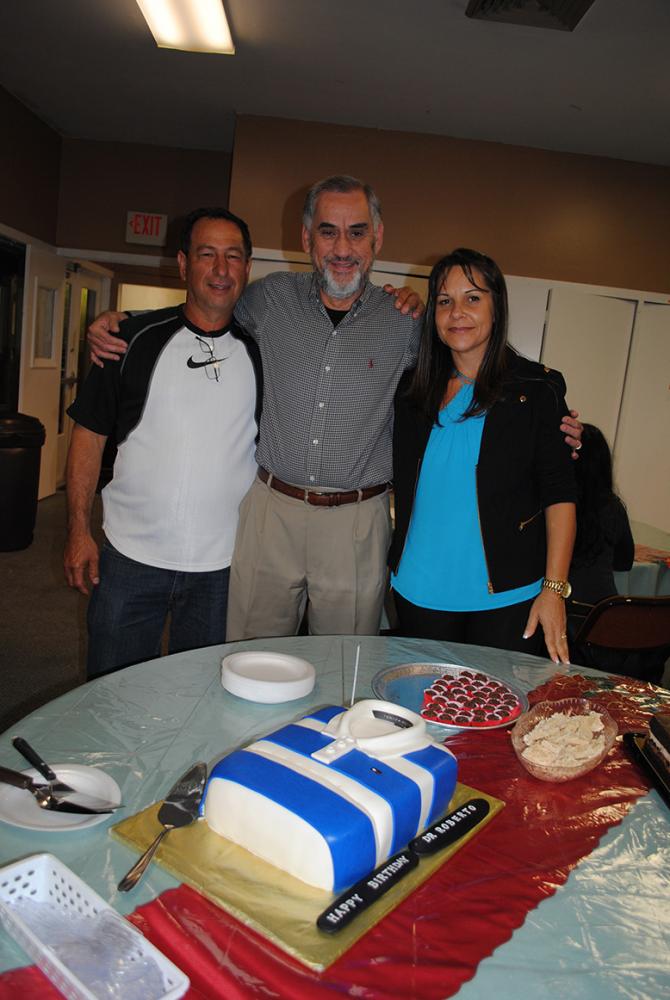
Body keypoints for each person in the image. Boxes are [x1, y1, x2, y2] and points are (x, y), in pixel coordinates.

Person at [87, 176, 583, 641]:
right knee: (249, 658)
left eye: (357, 232)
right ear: (307, 238)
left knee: (343, 665)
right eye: (328, 232)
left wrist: (553, 419)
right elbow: (206, 308)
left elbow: (480, 354)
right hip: (272, 511)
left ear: (377, 238)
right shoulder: (268, 299)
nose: (343, 248)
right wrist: (125, 321)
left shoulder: (407, 321)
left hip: (356, 522)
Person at [64, 207, 262, 676]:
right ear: (183, 264)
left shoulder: (261, 350)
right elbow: (89, 435)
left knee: (201, 700)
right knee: (113, 695)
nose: (220, 269)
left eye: (233, 256)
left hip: (223, 570)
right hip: (130, 561)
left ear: (247, 267)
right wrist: (77, 529)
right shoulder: (128, 339)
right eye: (207, 254)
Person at [389, 248, 577, 664]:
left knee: (500, 703)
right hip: (420, 591)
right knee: (426, 700)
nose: (457, 312)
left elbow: (560, 494)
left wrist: (554, 590)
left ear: (497, 306)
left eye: (472, 298)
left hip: (508, 598)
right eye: (445, 301)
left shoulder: (536, 389)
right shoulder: (411, 390)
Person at [568, 423, 634, 607]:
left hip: (563, 602)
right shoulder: (612, 506)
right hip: (602, 609)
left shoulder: (557, 507)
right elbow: (624, 562)